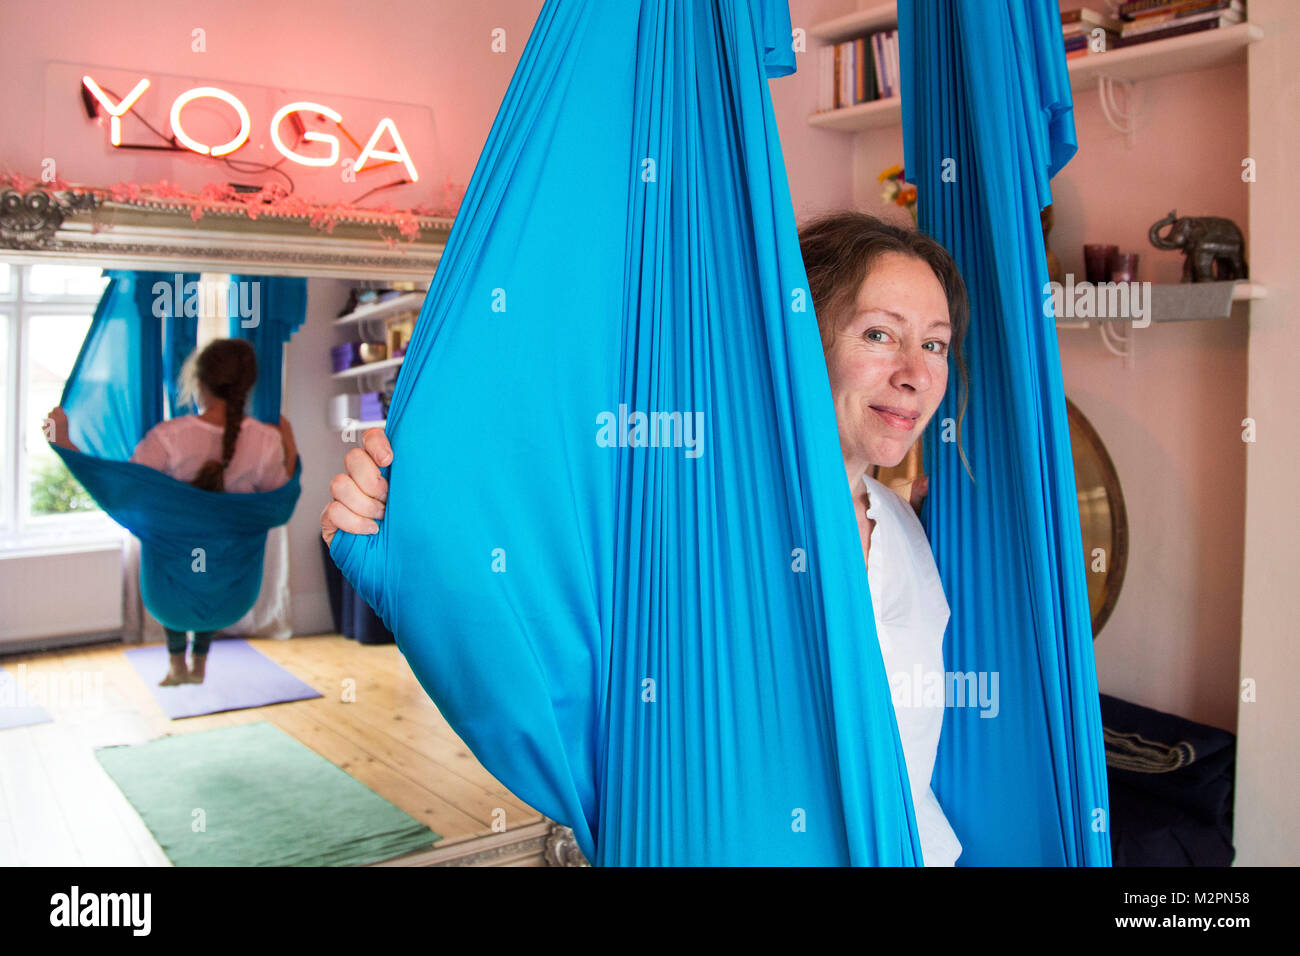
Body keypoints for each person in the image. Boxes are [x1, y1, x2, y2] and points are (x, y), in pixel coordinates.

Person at [320, 211, 970, 866]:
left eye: (936, 344)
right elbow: (535, 642)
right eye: (880, 334)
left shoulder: (907, 529)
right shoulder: (694, 524)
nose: (915, 372)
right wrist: (401, 546)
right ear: (802, 340)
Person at [49, 338, 299, 687]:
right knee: (210, 573)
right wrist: (289, 444)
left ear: (199, 382)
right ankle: (197, 664)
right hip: (233, 592)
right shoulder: (267, 440)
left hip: (170, 586)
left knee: (180, 567)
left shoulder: (169, 436)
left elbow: (126, 488)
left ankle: (177, 665)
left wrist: (65, 442)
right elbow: (278, 498)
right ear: (248, 385)